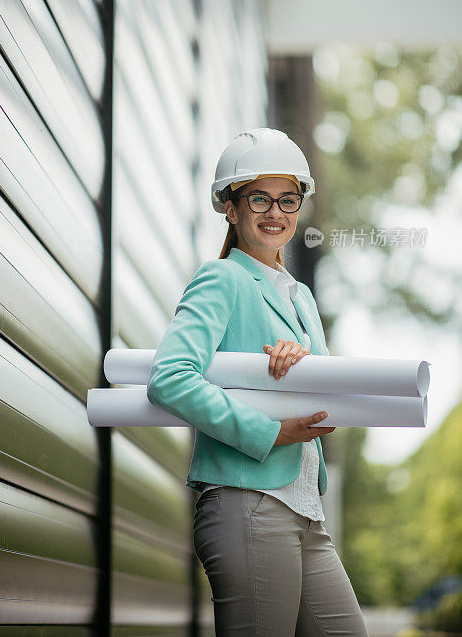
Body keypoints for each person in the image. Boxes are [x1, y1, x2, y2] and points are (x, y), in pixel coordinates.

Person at [147, 128, 369, 636]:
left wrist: (304, 356)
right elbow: (170, 377)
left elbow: (326, 390)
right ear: (231, 207)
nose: (275, 213)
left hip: (306, 511)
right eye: (260, 199)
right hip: (248, 504)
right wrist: (268, 432)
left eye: (287, 200)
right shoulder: (222, 278)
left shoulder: (301, 298)